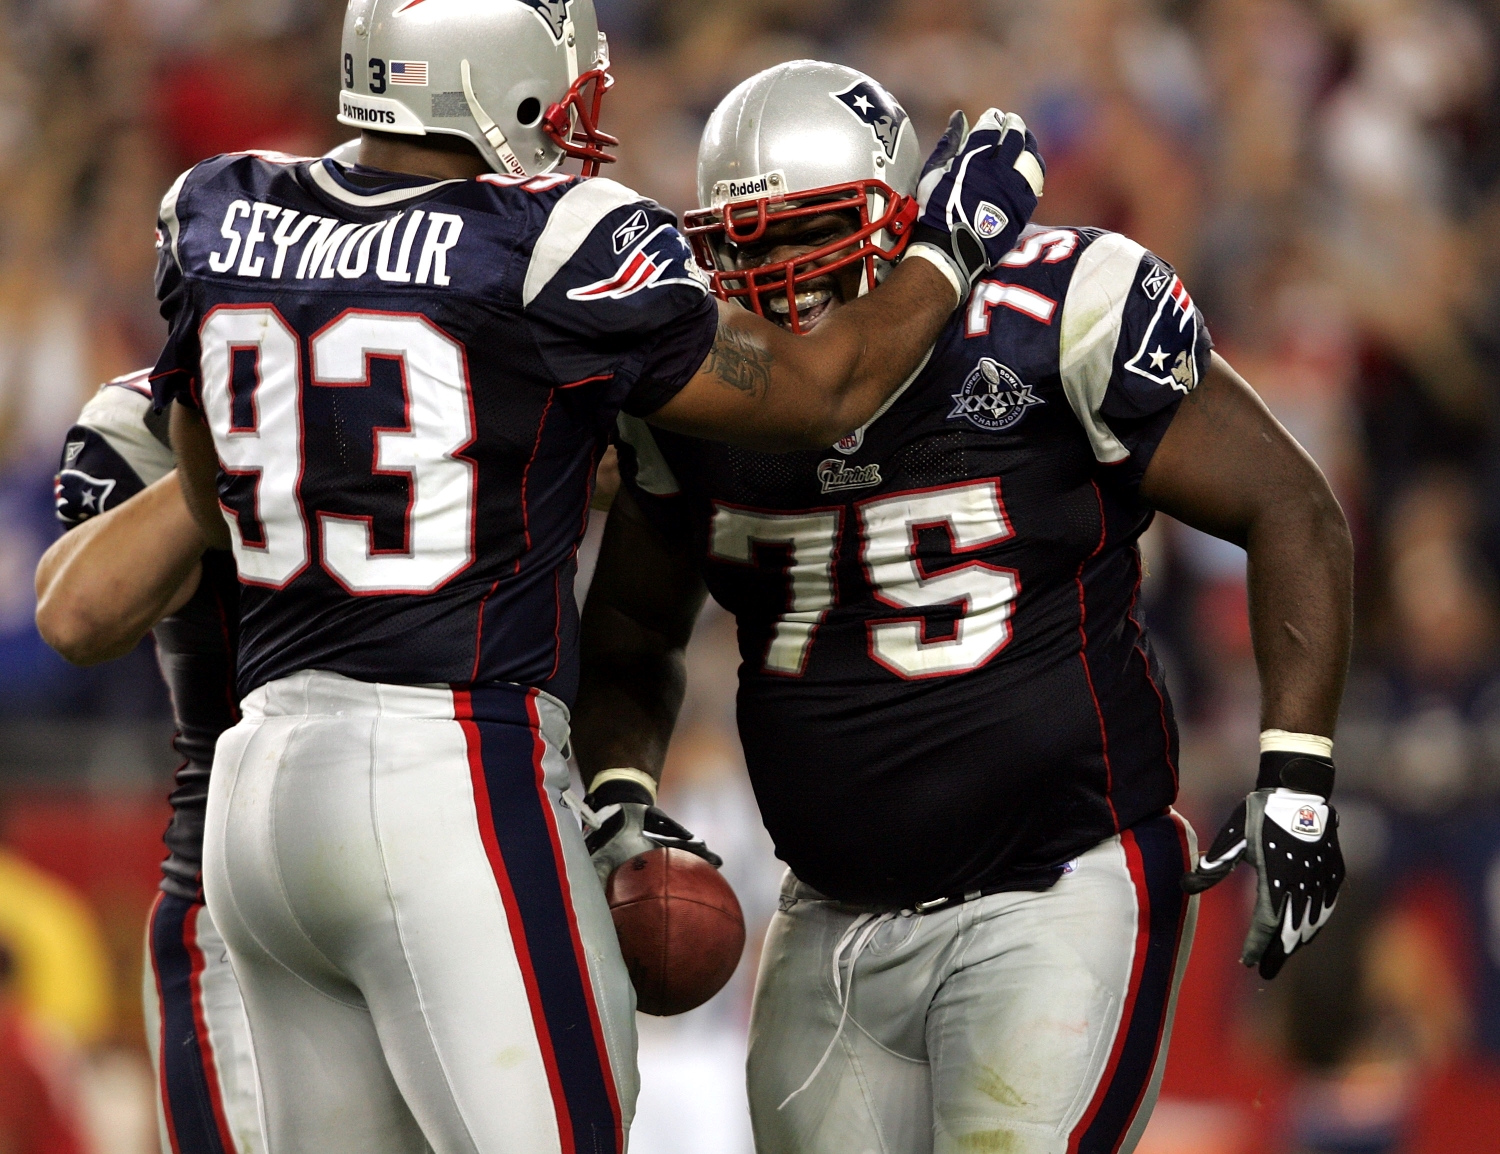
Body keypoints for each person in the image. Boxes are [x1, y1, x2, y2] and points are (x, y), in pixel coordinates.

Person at [151, 3, 1045, 1151]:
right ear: (492, 82)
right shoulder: (552, 238)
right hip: (444, 769)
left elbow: (210, 499)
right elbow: (826, 393)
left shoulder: (221, 208)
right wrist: (946, 250)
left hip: (258, 796)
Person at [573, 60, 1353, 1154]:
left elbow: (1291, 506)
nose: (776, 273)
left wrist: (1298, 773)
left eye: (807, 231)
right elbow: (633, 626)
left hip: (1055, 890)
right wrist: (618, 790)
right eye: (742, 243)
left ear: (901, 217)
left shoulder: (1048, 313)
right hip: (828, 914)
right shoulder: (704, 388)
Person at [34, 368, 260, 1154]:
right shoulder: (155, 410)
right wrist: (226, 444)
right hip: (236, 879)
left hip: (475, 820)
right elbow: (74, 614)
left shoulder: (494, 346)